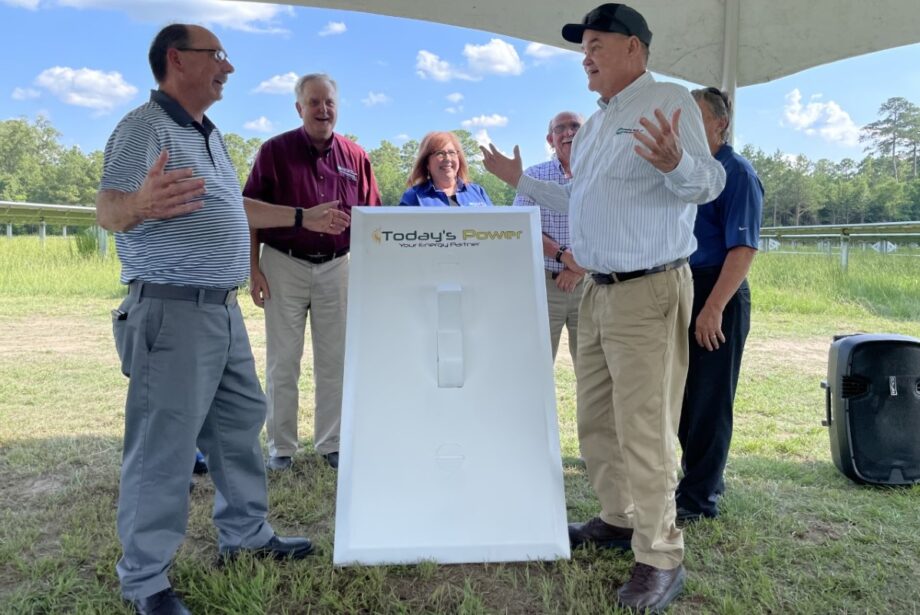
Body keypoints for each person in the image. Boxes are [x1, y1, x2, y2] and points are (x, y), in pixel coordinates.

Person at [479, 4, 726, 612]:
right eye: (582, 47)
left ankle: (660, 555)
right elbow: (578, 194)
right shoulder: (595, 123)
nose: (585, 56)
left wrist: (676, 164)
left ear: (634, 49)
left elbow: (708, 183)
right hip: (597, 289)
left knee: (644, 427)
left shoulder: (669, 100)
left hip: (647, 288)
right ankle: (618, 519)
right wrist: (522, 179)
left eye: (596, 45)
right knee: (596, 419)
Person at [96, 24, 349, 615]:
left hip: (221, 307)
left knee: (240, 424)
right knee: (163, 446)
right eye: (218, 57)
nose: (228, 68)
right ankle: (145, 580)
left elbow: (230, 205)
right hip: (171, 307)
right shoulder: (143, 127)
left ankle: (245, 535)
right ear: (177, 60)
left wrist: (300, 215)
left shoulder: (207, 133)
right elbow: (107, 207)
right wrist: (137, 205)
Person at [245, 73, 381, 472]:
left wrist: (370, 274)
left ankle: (331, 442)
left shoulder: (356, 156)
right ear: (299, 107)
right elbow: (249, 211)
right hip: (283, 263)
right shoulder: (274, 152)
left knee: (335, 360)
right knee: (283, 359)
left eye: (329, 103)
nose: (323, 110)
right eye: (314, 102)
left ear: (338, 107)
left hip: (338, 267)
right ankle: (281, 447)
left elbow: (372, 219)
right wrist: (253, 269)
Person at [676, 87, 763, 523]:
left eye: (695, 117)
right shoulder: (689, 172)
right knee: (683, 396)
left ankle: (698, 499)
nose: (685, 125)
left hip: (718, 291)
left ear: (719, 123)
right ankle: (701, 478)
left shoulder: (736, 173)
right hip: (683, 286)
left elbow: (742, 249)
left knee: (711, 397)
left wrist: (713, 308)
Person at [512, 112, 587, 364]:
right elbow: (521, 225)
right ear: (550, 138)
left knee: (591, 371)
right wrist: (563, 255)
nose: (569, 132)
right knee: (538, 365)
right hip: (546, 285)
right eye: (561, 128)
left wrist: (579, 269)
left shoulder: (600, 175)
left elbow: (611, 226)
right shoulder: (533, 176)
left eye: (576, 126)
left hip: (590, 285)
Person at [399, 131, 493, 207]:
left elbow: (495, 226)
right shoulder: (413, 196)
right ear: (426, 163)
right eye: (440, 153)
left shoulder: (478, 192)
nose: (447, 158)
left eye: (452, 152)